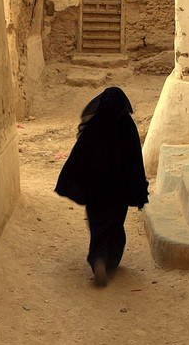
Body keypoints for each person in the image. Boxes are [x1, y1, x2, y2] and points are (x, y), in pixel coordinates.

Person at [54, 86, 149, 286]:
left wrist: (75, 182)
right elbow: (135, 161)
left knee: (98, 225)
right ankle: (111, 261)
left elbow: (79, 156)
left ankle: (98, 259)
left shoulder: (95, 127)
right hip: (119, 191)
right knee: (115, 224)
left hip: (97, 191)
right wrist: (138, 188)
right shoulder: (128, 127)